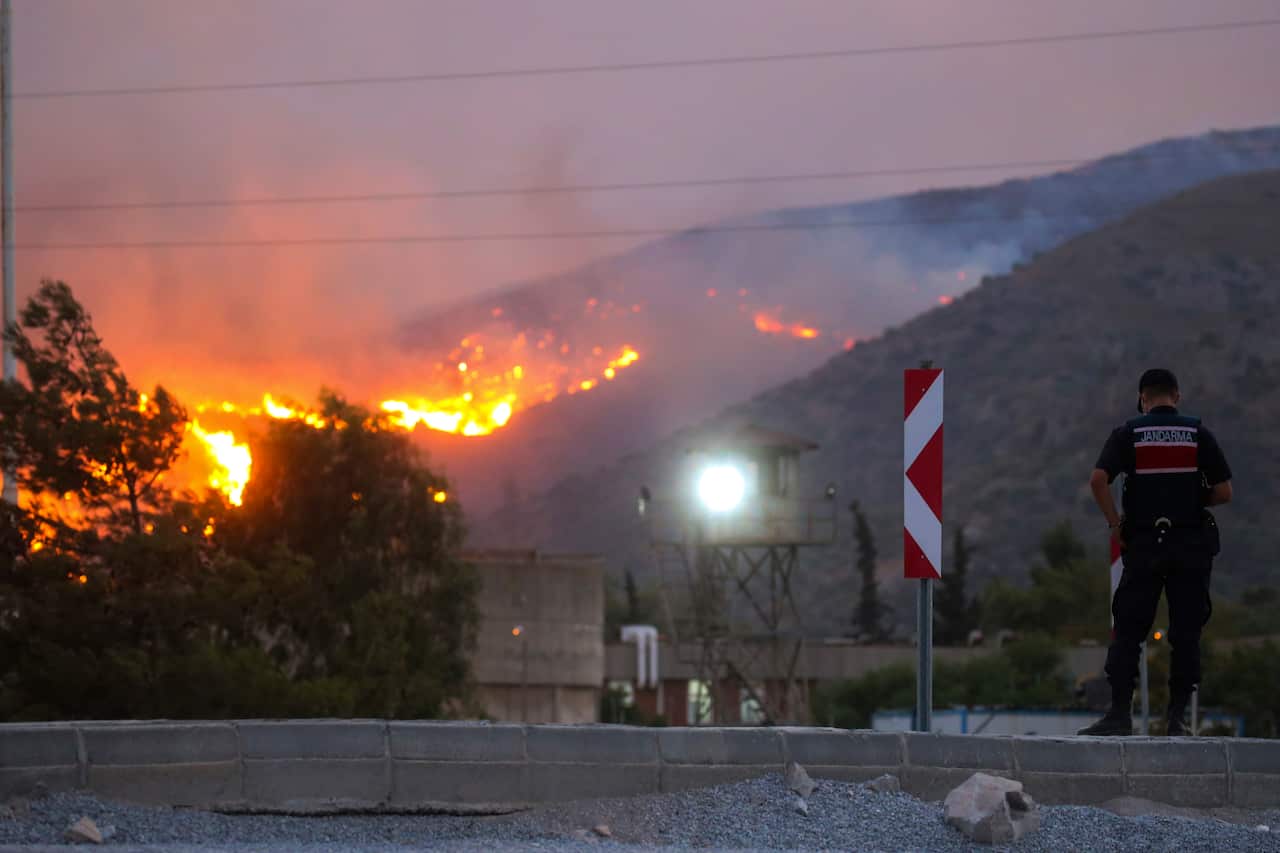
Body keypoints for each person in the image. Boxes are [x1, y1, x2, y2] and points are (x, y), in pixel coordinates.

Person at [1078, 369, 1232, 737]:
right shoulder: (1198, 434)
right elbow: (1224, 492)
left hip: (1144, 545)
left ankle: (1119, 715)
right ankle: (1177, 719)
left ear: (1143, 398)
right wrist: (1194, 500)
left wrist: (1116, 525)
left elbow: (1098, 480)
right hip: (1190, 546)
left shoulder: (1129, 433)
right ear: (1176, 396)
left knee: (1129, 630)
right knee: (1186, 633)